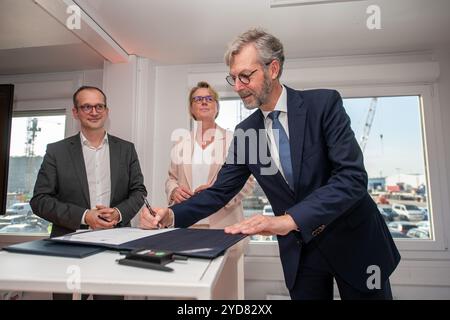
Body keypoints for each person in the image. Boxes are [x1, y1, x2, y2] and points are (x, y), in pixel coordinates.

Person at [141, 29, 400, 300]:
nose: (238, 87)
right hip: (302, 254)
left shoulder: (323, 105)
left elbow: (351, 179)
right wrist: (170, 214)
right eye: (233, 78)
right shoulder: (246, 132)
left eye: (245, 76)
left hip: (355, 242)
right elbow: (220, 191)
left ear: (273, 68)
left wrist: (289, 220)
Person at [31, 85, 147, 299]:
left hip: (115, 245)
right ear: (75, 112)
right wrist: (85, 216)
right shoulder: (57, 151)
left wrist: (119, 213)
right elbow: (39, 200)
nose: (94, 112)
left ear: (106, 111)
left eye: (99, 106)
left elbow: (139, 191)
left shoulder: (126, 149)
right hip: (68, 247)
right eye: (86, 107)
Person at [163, 81, 254, 298]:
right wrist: (174, 190)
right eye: (198, 99)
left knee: (224, 291)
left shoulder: (234, 139)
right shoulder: (180, 143)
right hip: (188, 229)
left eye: (209, 98)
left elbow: (248, 182)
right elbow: (170, 179)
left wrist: (218, 192)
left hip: (224, 226)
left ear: (216, 106)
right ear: (191, 108)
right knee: (191, 290)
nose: (203, 102)